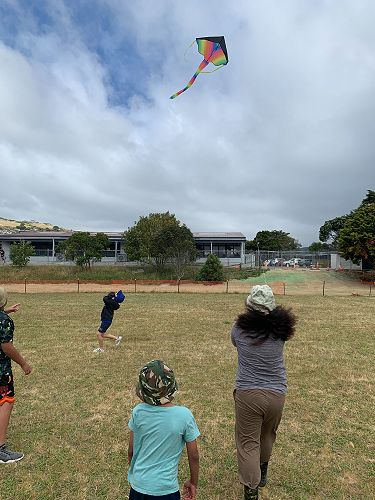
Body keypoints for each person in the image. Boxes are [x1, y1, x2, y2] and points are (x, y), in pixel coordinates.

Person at [231, 285, 296, 500]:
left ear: (250, 305)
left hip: (248, 393)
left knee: (248, 442)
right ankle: (263, 471)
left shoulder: (239, 329)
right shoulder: (281, 331)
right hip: (277, 393)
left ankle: (251, 489)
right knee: (267, 435)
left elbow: (235, 342)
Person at [127, 360, 200, 499]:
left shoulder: (138, 412)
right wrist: (193, 482)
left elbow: (131, 451)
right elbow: (194, 454)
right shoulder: (184, 415)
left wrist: (137, 476)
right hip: (166, 490)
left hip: (138, 488)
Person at [0, 287, 32, 464]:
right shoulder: (4, 321)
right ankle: (0, 448)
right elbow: (7, 347)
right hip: (1, 371)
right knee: (6, 401)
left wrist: (6, 310)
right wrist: (23, 363)